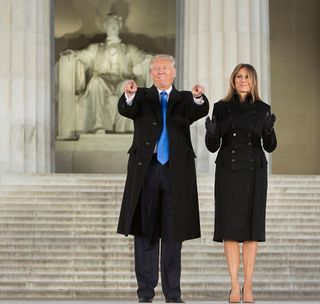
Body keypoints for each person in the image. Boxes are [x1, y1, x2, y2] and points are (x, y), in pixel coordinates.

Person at [117, 54, 209, 303]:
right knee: (145, 233)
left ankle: (173, 294)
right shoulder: (142, 97)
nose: (160, 72)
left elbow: (200, 109)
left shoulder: (184, 99)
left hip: (175, 172)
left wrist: (199, 96)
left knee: (173, 234)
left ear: (174, 72)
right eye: (156, 69)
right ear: (150, 73)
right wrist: (129, 94)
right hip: (146, 171)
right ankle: (145, 293)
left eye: (165, 68)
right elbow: (127, 109)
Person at [205, 64, 277, 303]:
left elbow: (270, 146)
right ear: (233, 80)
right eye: (238, 76)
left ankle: (248, 286)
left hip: (254, 173)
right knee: (230, 231)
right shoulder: (221, 108)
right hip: (228, 172)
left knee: (251, 233)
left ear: (253, 81)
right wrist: (212, 132)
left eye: (246, 76)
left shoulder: (263, 108)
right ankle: (234, 286)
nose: (242, 80)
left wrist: (269, 130)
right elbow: (213, 146)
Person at [57, 13, 152, 139]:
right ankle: (98, 124)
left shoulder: (129, 49)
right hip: (103, 80)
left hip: (122, 80)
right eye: (110, 24)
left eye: (115, 24)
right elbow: (82, 55)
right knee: (95, 82)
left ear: (119, 26)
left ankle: (121, 126)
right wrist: (72, 54)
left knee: (129, 84)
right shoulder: (95, 48)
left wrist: (155, 59)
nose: (112, 27)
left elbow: (144, 56)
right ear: (105, 26)